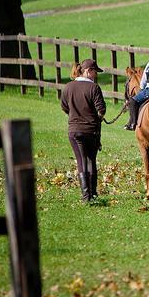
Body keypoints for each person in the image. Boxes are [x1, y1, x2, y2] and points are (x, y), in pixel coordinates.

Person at [60, 58, 106, 202]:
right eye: (94, 71)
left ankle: (86, 195)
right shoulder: (94, 88)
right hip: (90, 130)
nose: (95, 75)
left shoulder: (68, 87)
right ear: (87, 71)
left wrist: (75, 114)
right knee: (91, 160)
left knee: (81, 161)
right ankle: (92, 194)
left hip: (74, 130)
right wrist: (96, 116)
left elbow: (64, 107)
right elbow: (102, 110)